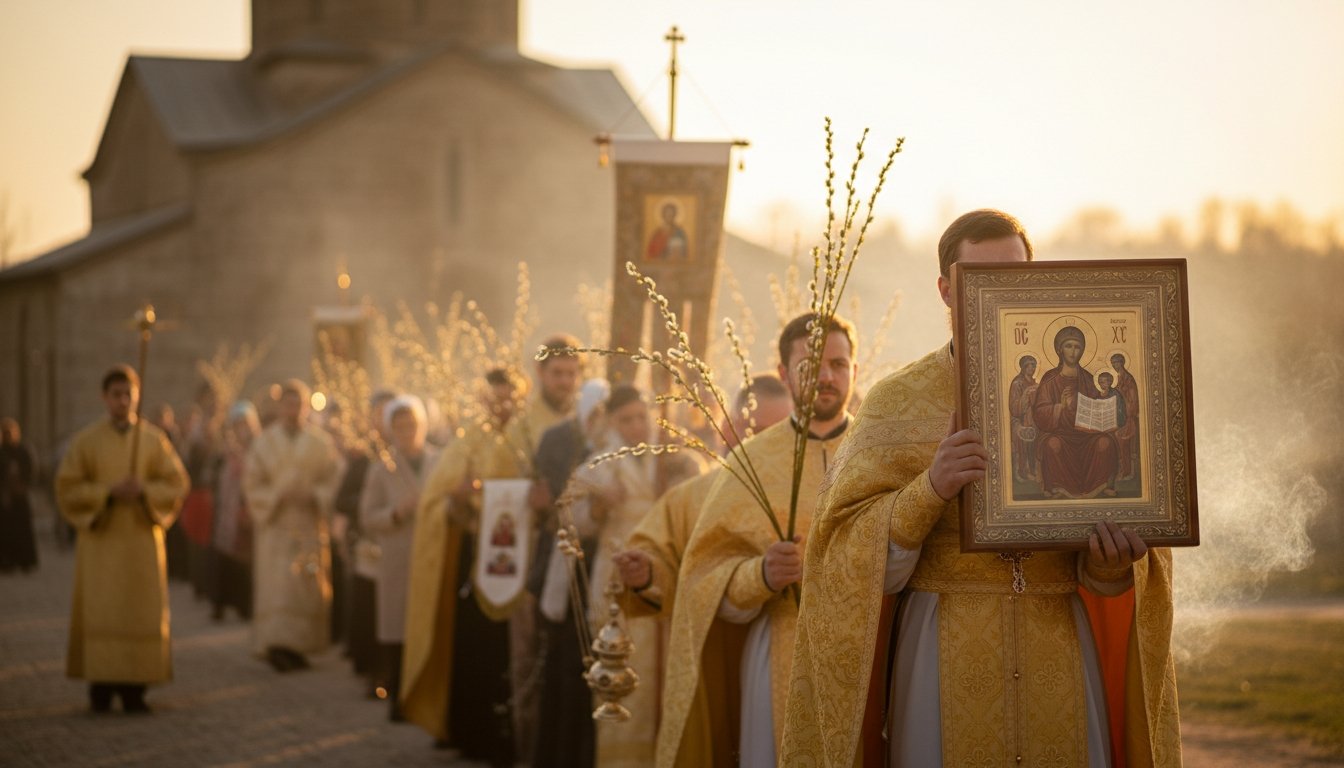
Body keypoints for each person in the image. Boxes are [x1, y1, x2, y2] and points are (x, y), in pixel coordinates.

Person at [781, 209, 1182, 767]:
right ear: (946, 289)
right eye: (977, 279)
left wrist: (1112, 565)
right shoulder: (897, 401)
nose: (998, 292)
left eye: (1013, 276)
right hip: (938, 649)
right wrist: (930, 488)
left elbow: (1108, 564)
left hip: (1057, 642)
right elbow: (848, 555)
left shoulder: (1079, 378)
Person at [657, 312, 858, 767]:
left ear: (855, 371)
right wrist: (761, 574)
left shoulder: (879, 449)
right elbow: (704, 577)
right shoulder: (749, 462)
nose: (826, 377)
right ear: (784, 373)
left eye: (839, 364)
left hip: (871, 650)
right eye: (811, 366)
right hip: (779, 652)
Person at [609, 373, 791, 768]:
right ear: (729, 427)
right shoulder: (693, 498)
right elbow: (660, 553)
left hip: (792, 660)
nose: (769, 445)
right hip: (713, 660)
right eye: (757, 431)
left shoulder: (814, 493)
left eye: (782, 432)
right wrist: (645, 575)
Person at [401, 367, 532, 765]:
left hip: (519, 562)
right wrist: (457, 499)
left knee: (511, 651)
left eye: (509, 397)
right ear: (483, 398)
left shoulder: (529, 439)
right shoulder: (467, 441)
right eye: (495, 397)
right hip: (474, 558)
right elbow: (434, 504)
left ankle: (511, 735)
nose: (501, 404)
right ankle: (468, 730)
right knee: (472, 648)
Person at [567, 385, 702, 767]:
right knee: (620, 673)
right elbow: (572, 523)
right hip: (615, 580)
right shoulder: (599, 465)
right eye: (626, 419)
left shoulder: (676, 457)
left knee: (664, 674)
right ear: (612, 421)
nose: (636, 425)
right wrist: (597, 506)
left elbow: (697, 501)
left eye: (641, 416)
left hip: (665, 574)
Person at [55, 365, 189, 713]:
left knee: (139, 611)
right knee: (103, 609)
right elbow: (68, 487)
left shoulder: (153, 440)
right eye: (116, 394)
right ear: (105, 397)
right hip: (102, 543)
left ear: (137, 396)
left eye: (128, 394)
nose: (123, 401)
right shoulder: (86, 441)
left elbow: (176, 483)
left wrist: (144, 490)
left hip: (142, 541)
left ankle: (136, 687)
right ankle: (101, 684)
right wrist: (107, 493)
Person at [530, 377, 610, 768]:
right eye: (594, 414)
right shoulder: (560, 443)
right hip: (571, 570)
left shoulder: (624, 460)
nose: (601, 422)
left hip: (607, 576)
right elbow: (549, 502)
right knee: (567, 674)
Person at [243, 378, 344, 672]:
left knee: (304, 586)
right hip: (275, 526)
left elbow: (333, 480)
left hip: (308, 525)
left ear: (306, 406)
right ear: (279, 406)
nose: (293, 409)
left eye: (298, 403)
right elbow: (252, 483)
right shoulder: (264, 442)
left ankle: (300, 646)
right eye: (288, 403)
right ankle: (276, 646)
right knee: (278, 588)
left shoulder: (320, 443)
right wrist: (276, 495)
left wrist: (314, 494)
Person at [359, 394, 438, 722]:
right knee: (397, 626)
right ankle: (397, 696)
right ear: (391, 429)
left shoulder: (440, 461)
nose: (407, 431)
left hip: (431, 554)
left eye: (412, 424)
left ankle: (426, 695)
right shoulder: (382, 469)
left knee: (427, 623)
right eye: (400, 425)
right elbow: (367, 516)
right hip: (397, 556)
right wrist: (395, 512)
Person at [336, 388, 399, 691]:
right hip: (371, 546)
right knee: (371, 610)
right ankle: (375, 672)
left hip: (402, 546)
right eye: (380, 414)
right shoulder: (363, 458)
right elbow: (342, 499)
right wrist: (367, 502)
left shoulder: (410, 454)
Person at [1032, 326, 1122, 498]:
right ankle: (1059, 487)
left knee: (1105, 443)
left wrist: (1105, 406)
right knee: (1052, 445)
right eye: (1068, 346)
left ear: (1082, 351)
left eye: (1077, 347)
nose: (1073, 352)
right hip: (1061, 434)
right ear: (1059, 350)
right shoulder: (1050, 379)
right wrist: (1060, 406)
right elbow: (1039, 413)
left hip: (1087, 435)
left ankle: (1099, 485)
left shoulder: (1089, 379)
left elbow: (1098, 406)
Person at [208, 401, 261, 620]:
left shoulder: (258, 447)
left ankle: (244, 605)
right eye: (238, 424)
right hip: (229, 508)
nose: (242, 429)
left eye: (245, 424)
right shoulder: (227, 448)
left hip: (249, 507)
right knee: (225, 556)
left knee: (245, 559)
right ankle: (220, 603)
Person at [0, 417, 39, 572]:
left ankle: (25, 561)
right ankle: (6, 561)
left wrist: (24, 485)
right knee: (6, 531)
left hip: (20, 494)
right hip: (5, 497)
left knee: (23, 530)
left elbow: (31, 469)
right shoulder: (1, 452)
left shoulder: (23, 450)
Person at [1008, 354, 1039, 483]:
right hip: (1019, 421)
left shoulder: (1034, 382)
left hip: (1033, 419)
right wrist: (1026, 395)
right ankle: (1024, 471)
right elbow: (1014, 408)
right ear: (1023, 367)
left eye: (1034, 365)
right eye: (1029, 365)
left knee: (1037, 442)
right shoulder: (1017, 383)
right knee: (1024, 443)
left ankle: (1034, 469)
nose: (1032, 368)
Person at [1111, 353, 1141, 480]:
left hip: (1128, 417)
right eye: (1113, 363)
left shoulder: (1128, 378)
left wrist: (1129, 414)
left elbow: (1132, 399)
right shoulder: (1119, 378)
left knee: (1123, 443)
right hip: (1120, 416)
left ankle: (1127, 472)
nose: (1114, 365)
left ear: (1122, 362)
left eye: (1116, 362)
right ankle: (1121, 470)